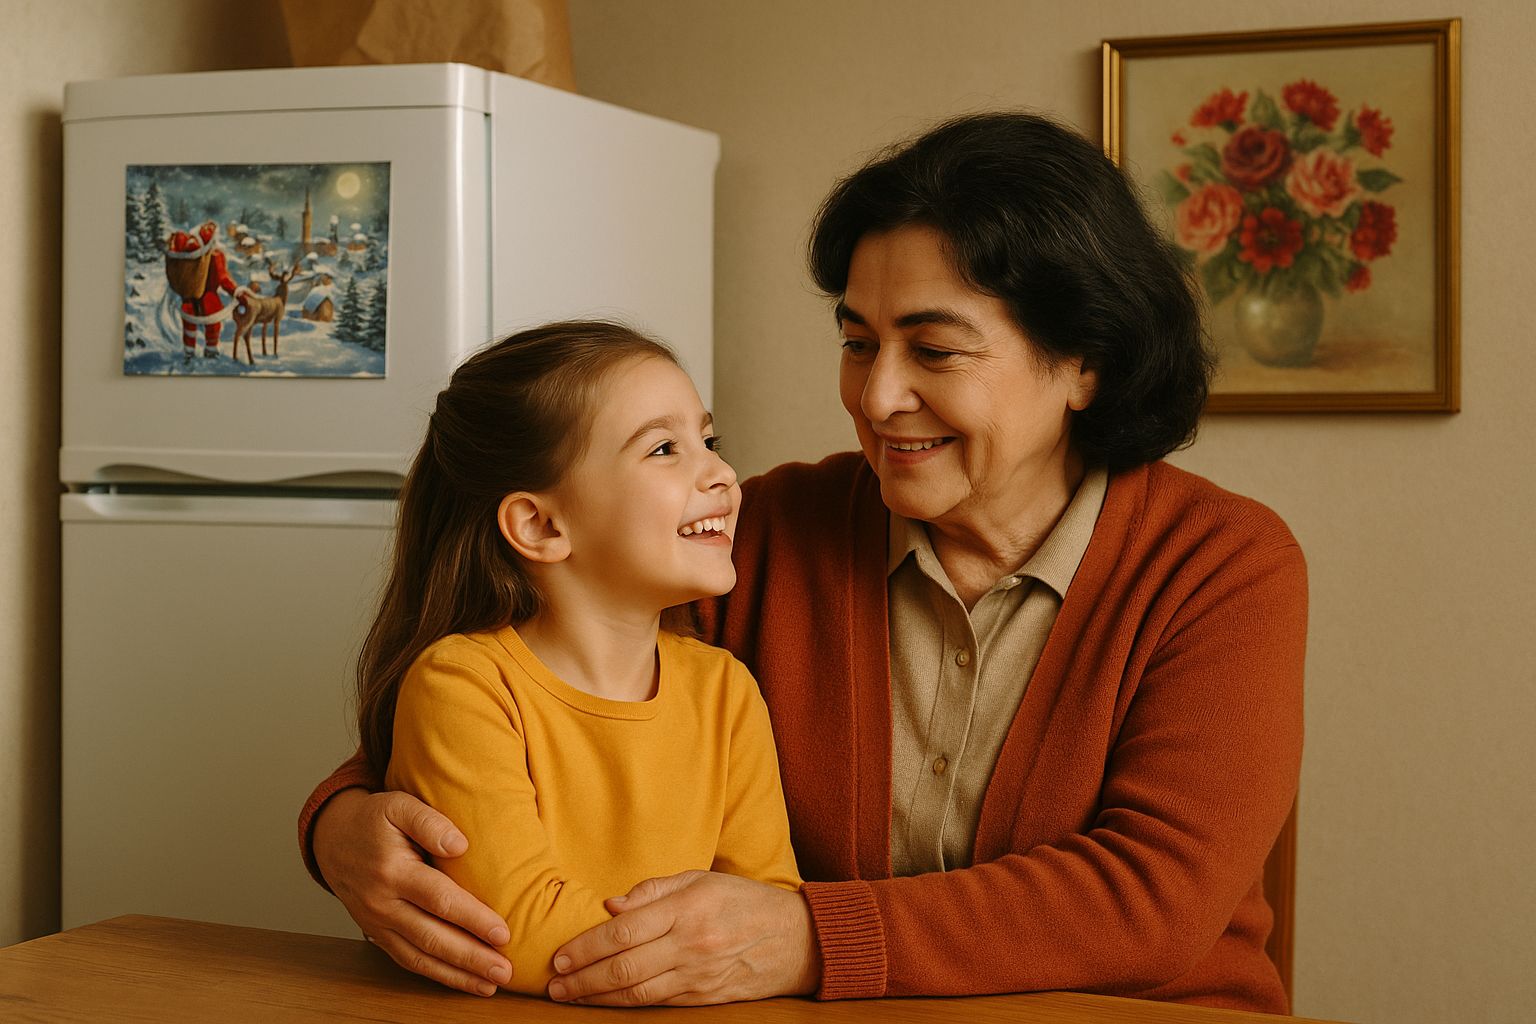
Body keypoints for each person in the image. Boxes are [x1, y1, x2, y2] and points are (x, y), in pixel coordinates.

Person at [297, 112, 1306, 1012]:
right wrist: (342, 821)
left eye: (934, 350)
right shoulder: (765, 537)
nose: (876, 398)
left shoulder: (1221, 565)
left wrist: (812, 938)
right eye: (859, 342)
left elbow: (1153, 895)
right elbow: (536, 689)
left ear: (1084, 361)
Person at [344, 319, 801, 996]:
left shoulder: (726, 690)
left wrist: (734, 947)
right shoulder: (461, 686)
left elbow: (761, 910)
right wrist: (699, 951)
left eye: (709, 441)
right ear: (541, 525)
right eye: (665, 449)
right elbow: (515, 934)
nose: (723, 473)